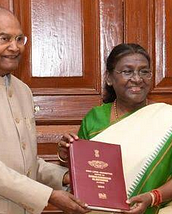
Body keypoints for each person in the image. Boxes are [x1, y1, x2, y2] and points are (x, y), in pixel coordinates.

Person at [58, 43, 172, 214]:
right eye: (127, 71)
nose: (137, 78)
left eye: (144, 71)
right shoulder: (95, 119)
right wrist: (68, 154)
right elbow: (86, 173)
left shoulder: (171, 119)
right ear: (109, 78)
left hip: (162, 209)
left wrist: (152, 197)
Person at [0, 7, 88, 214]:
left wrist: (67, 176)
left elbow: (27, 164)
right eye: (4, 38)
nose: (15, 47)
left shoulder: (23, 91)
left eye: (20, 39)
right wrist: (48, 196)